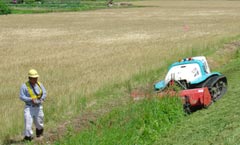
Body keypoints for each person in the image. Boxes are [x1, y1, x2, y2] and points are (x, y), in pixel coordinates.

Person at [19, 69, 47, 141]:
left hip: (39, 107)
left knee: (39, 124)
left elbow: (44, 92)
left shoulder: (40, 84)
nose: (35, 79)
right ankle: (28, 138)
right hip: (29, 108)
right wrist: (31, 99)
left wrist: (42, 99)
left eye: (36, 78)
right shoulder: (24, 86)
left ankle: (39, 136)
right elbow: (21, 97)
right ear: (29, 78)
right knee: (28, 124)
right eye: (34, 78)